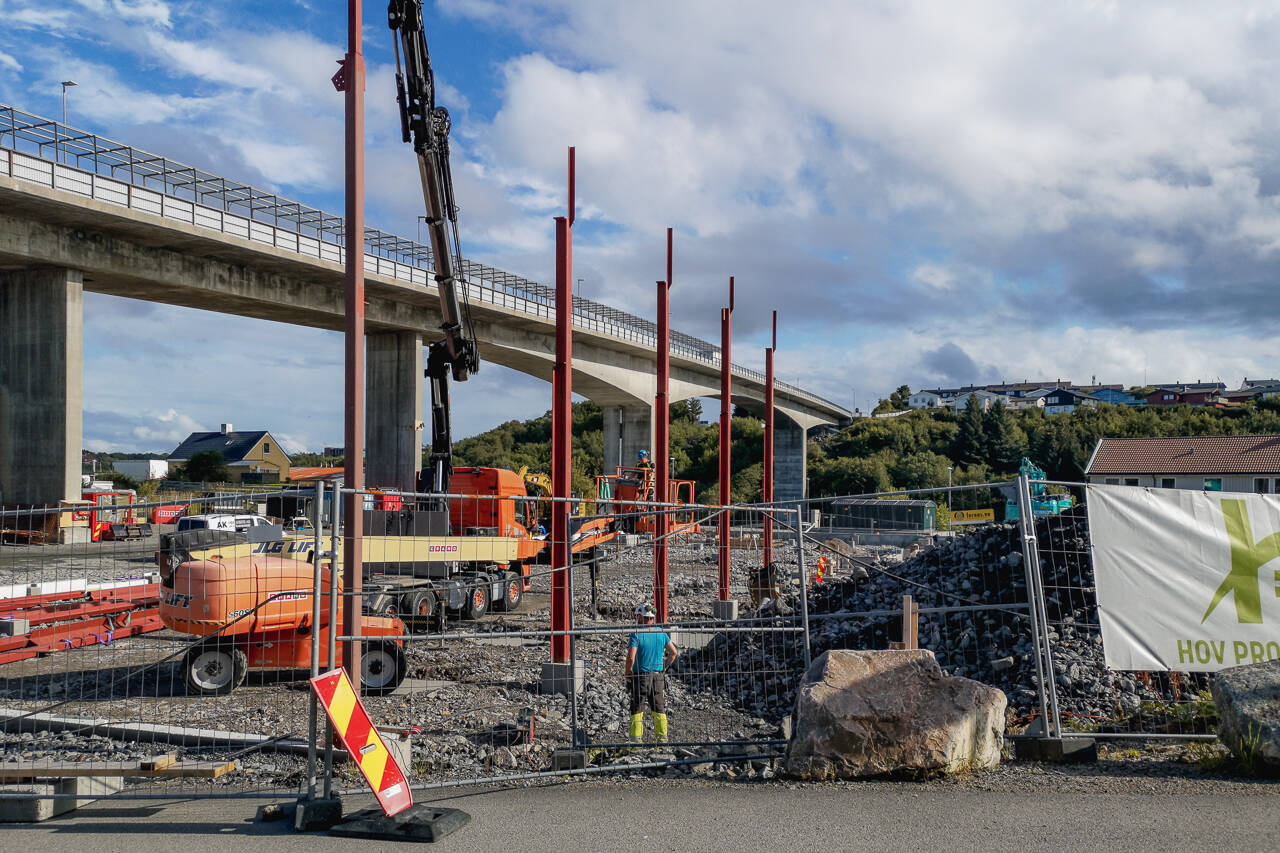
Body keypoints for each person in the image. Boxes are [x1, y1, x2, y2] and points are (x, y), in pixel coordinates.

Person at [625, 602, 677, 744]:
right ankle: (662, 739)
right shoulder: (661, 633)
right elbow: (673, 653)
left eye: (638, 616)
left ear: (641, 617)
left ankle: (636, 742)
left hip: (640, 676)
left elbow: (631, 657)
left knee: (637, 708)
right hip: (658, 676)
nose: (637, 619)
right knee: (659, 706)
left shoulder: (636, 634)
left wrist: (628, 672)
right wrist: (664, 668)